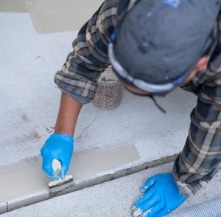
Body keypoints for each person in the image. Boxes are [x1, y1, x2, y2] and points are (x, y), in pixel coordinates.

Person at [40, 0, 221, 216]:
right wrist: (62, 134)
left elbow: (214, 128)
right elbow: (84, 61)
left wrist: (184, 181)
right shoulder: (121, 8)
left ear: (201, 64)